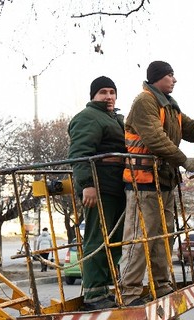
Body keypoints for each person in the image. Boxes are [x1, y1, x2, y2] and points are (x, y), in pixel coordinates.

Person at [118, 61, 194, 306]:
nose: (174, 80)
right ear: (158, 78)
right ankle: (129, 292)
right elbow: (155, 139)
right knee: (140, 239)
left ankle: (162, 284)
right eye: (170, 75)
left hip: (163, 182)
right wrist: (183, 160)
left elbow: (188, 127)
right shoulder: (144, 102)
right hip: (143, 182)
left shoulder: (168, 105)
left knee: (163, 238)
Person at [68, 76, 127, 311]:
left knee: (114, 241)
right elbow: (80, 153)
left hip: (117, 187)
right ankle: (93, 293)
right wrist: (87, 185)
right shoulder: (88, 117)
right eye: (103, 92)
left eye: (112, 92)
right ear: (93, 96)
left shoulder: (114, 118)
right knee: (97, 239)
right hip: (100, 187)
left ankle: (106, 288)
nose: (109, 96)